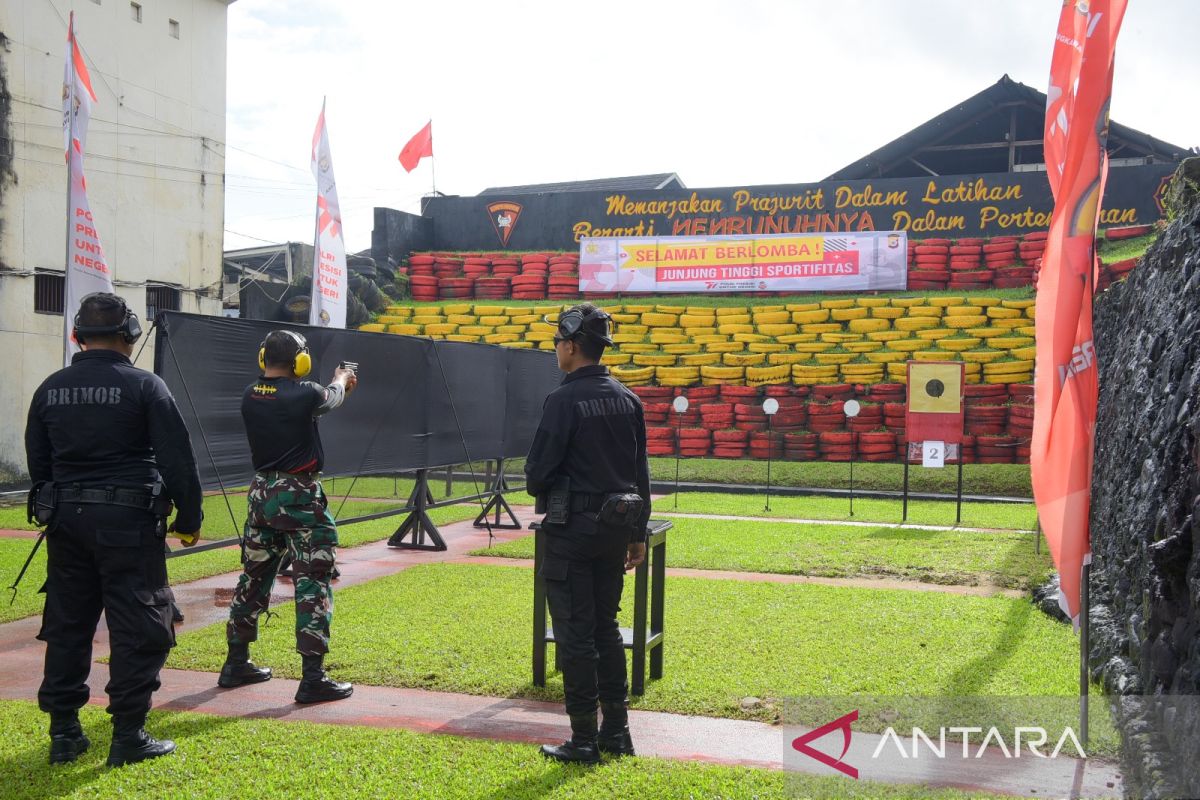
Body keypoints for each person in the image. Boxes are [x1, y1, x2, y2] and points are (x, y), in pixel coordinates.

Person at [24, 292, 204, 767]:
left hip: (66, 524)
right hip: (129, 525)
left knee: (68, 625)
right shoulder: (146, 386)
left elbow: (39, 467)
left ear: (77, 335)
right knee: (141, 625)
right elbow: (177, 460)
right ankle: (129, 734)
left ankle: (64, 732)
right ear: (129, 334)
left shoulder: (50, 388)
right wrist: (189, 519)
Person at [525, 303, 651, 764]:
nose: (555, 348)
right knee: (605, 630)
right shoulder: (628, 398)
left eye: (557, 341)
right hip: (616, 532)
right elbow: (641, 474)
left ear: (572, 345)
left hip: (572, 531)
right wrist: (637, 534)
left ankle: (582, 740)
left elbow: (536, 475)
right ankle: (617, 734)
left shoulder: (562, 401)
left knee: (575, 636)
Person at [218, 329, 357, 704]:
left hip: (261, 494)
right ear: (300, 362)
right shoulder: (307, 392)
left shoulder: (250, 394)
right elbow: (332, 398)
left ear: (264, 358)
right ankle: (313, 678)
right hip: (299, 496)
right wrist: (341, 379)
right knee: (313, 579)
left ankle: (235, 662)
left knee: (254, 576)